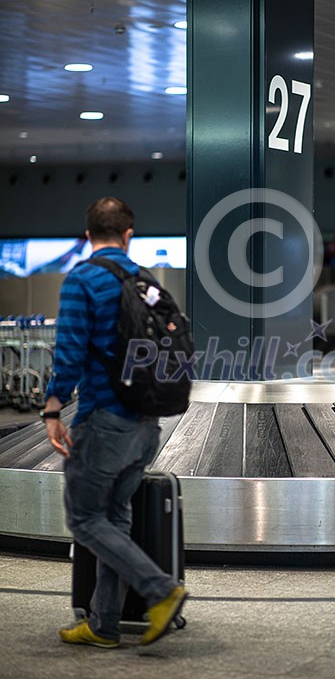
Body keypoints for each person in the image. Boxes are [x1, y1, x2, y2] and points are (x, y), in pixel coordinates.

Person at [41, 196, 187, 648]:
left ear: (87, 236)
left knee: (85, 519)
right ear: (129, 235)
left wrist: (52, 407)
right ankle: (104, 624)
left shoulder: (83, 279)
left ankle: (160, 589)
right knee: (115, 518)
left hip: (104, 420)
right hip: (146, 423)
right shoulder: (146, 281)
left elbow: (68, 352)